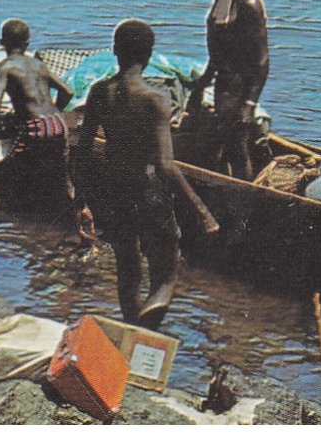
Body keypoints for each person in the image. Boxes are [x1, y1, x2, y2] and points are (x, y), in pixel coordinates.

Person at [75, 19, 219, 329]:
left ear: (115, 50)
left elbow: (83, 151)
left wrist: (81, 202)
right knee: (166, 276)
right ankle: (144, 334)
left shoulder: (99, 92)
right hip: (148, 189)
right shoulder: (156, 98)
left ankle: (130, 336)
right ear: (150, 54)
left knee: (128, 270)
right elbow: (166, 164)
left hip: (114, 190)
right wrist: (202, 211)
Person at [0, 18, 75, 245]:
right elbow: (67, 91)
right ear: (27, 43)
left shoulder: (6, 66)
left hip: (35, 127)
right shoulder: (39, 65)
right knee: (67, 186)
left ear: (2, 43)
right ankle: (86, 236)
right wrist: (55, 113)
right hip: (58, 122)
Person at [182, 0, 270, 179]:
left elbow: (261, 61)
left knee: (237, 149)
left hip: (240, 89)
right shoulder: (221, 0)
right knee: (219, 147)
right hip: (224, 86)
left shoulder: (247, 4)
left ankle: (243, 202)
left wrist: (249, 105)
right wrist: (200, 86)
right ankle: (224, 194)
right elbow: (218, 54)